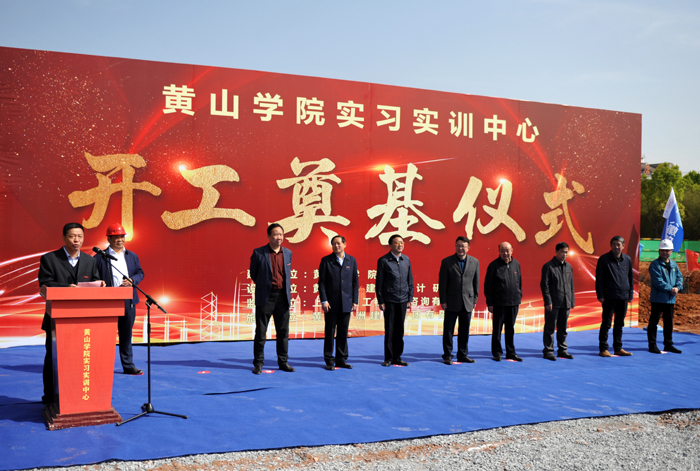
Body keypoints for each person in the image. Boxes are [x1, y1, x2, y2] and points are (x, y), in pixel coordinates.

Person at [37, 223, 105, 404]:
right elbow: (45, 283)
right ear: (64, 238)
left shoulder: (90, 261)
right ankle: (50, 397)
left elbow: (94, 282)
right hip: (56, 319)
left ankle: (76, 396)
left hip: (84, 320)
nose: (77, 240)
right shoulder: (50, 259)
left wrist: (99, 284)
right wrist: (67, 288)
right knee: (53, 358)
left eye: (80, 236)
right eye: (73, 236)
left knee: (80, 358)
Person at [94, 223, 145, 375]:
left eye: (122, 236)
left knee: (126, 334)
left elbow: (140, 273)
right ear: (109, 239)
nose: (120, 240)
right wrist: (99, 283)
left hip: (128, 300)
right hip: (107, 301)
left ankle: (128, 365)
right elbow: (93, 276)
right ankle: (101, 366)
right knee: (105, 336)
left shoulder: (131, 256)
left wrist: (132, 280)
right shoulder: (99, 257)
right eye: (116, 237)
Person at [250, 223, 294, 374]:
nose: (278, 237)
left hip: (283, 297)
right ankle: (258, 363)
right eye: (275, 234)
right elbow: (254, 274)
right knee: (261, 332)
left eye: (281, 234)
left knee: (283, 332)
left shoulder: (288, 253)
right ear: (269, 236)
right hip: (266, 297)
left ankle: (283, 362)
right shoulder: (259, 253)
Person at [318, 235, 359, 370]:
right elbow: (322, 283)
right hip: (331, 303)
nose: (336, 246)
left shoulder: (351, 260)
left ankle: (341, 359)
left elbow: (355, 282)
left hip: (346, 302)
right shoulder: (326, 260)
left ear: (344, 244)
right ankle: (329, 360)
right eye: (334, 244)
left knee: (343, 332)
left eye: (338, 243)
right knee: (330, 332)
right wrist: (324, 300)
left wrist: (355, 300)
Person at [438, 236, 479, 365]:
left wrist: (475, 299)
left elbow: (476, 282)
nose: (460, 248)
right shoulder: (447, 262)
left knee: (464, 330)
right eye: (458, 246)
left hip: (467, 301)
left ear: (468, 248)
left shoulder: (474, 262)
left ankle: (462, 354)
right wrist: (443, 300)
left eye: (463, 246)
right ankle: (447, 355)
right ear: (455, 247)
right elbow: (442, 283)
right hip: (451, 301)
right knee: (448, 330)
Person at [376, 234, 414, 366]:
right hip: (390, 300)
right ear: (390, 245)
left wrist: (410, 298)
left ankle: (398, 357)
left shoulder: (406, 260)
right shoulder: (384, 260)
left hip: (403, 300)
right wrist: (381, 300)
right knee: (390, 329)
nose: (400, 245)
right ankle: (388, 358)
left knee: (400, 330)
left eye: (402, 242)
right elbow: (379, 282)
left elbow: (410, 280)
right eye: (397, 243)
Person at [596, 235, 634, 357]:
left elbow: (630, 278)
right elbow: (599, 279)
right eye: (614, 244)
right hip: (609, 297)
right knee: (606, 324)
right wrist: (600, 295)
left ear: (623, 246)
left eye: (619, 244)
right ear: (611, 246)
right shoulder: (604, 259)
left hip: (623, 297)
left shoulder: (627, 259)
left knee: (619, 324)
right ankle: (603, 349)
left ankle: (618, 348)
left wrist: (630, 293)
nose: (616, 247)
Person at [484, 242, 523, 362]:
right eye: (503, 251)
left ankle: (511, 352)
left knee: (510, 328)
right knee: (497, 329)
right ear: (499, 251)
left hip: (513, 302)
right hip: (499, 303)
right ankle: (497, 352)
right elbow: (488, 286)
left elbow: (519, 282)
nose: (505, 253)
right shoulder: (493, 265)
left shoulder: (516, 264)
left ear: (512, 251)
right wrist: (490, 303)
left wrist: (519, 296)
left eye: (507, 250)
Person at [540, 242, 575, 361]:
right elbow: (545, 286)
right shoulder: (548, 266)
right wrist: (548, 301)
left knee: (563, 328)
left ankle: (562, 350)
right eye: (562, 252)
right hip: (553, 303)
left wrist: (571, 301)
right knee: (550, 328)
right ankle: (548, 351)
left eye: (566, 252)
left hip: (566, 302)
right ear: (556, 252)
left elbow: (571, 285)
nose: (564, 254)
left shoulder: (569, 266)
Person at [647, 239, 683, 354]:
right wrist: (671, 289)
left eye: (667, 250)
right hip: (658, 298)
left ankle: (668, 344)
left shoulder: (673, 264)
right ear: (659, 251)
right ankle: (652, 345)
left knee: (668, 322)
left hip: (670, 299)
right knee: (654, 322)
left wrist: (677, 287)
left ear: (671, 251)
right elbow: (658, 281)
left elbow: (679, 277)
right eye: (662, 250)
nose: (665, 252)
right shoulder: (655, 264)